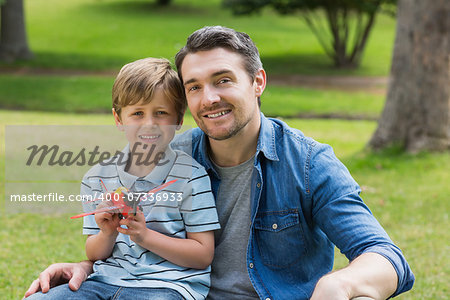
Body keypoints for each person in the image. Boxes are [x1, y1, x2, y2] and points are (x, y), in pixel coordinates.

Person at [25, 26, 414, 300]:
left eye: (223, 80)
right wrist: (85, 266)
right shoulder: (171, 156)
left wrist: (339, 286)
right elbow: (132, 245)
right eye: (194, 86)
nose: (208, 98)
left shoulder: (308, 164)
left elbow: (385, 255)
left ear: (257, 82)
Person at [25, 57, 220, 300]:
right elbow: (94, 253)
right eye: (137, 113)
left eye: (161, 113)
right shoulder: (97, 177)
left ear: (178, 120)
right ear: (119, 119)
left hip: (167, 286)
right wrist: (107, 233)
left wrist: (145, 236)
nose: (149, 124)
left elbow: (202, 255)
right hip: (105, 280)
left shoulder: (191, 176)